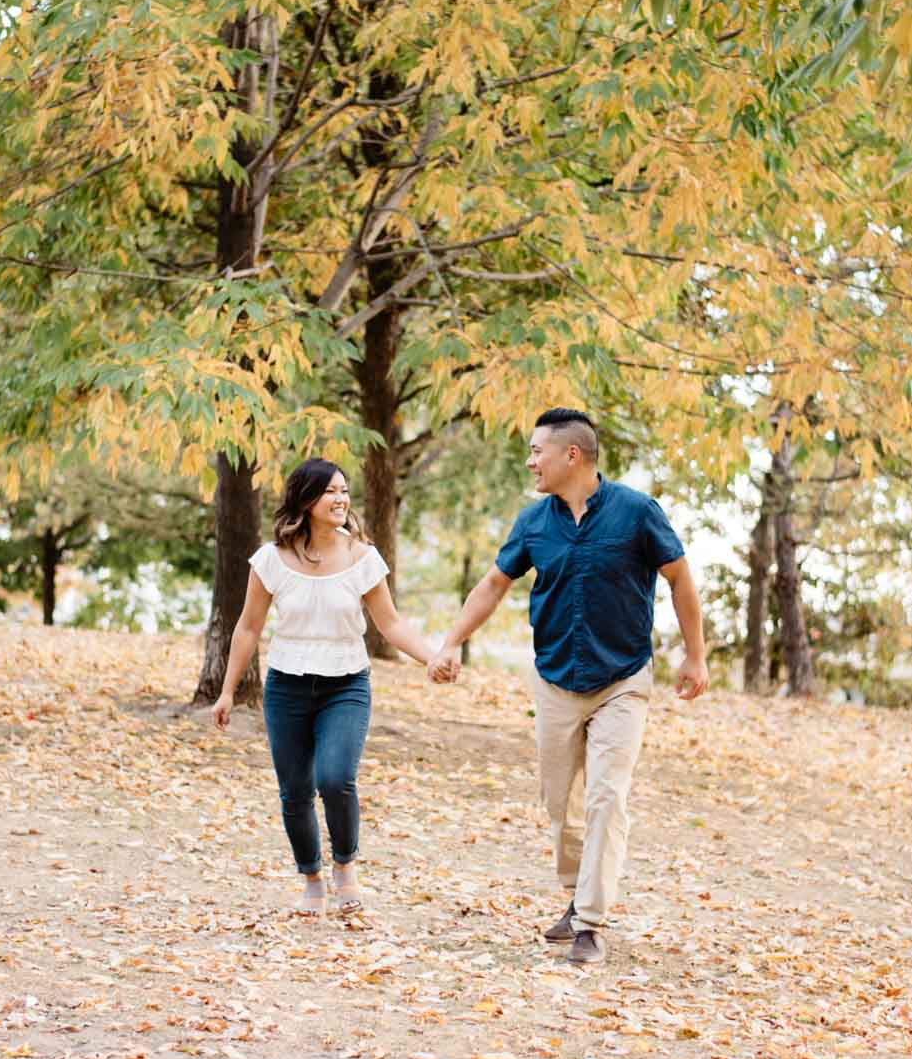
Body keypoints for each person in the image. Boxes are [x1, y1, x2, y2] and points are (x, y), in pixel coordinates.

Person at [428, 408, 708, 966]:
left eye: (537, 451)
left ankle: (590, 924)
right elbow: (493, 584)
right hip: (555, 678)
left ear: (571, 455)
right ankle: (577, 894)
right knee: (562, 803)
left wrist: (695, 655)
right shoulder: (534, 522)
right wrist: (451, 640)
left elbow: (679, 578)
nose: (530, 461)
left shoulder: (635, 513)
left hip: (622, 679)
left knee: (608, 796)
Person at [212, 459, 439, 917]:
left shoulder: (362, 557)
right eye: (330, 491)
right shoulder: (271, 560)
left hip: (346, 684)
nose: (341, 499)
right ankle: (311, 877)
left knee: (335, 779)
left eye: (345, 491)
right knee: (295, 790)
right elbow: (248, 628)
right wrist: (227, 691)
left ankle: (345, 868)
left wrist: (431, 658)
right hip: (286, 687)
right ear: (306, 499)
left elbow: (390, 623)